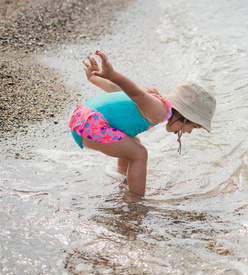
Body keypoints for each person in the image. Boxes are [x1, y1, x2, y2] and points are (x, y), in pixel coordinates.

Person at [68, 50, 216, 196]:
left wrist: (94, 78)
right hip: (90, 125)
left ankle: (122, 176)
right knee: (140, 153)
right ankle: (136, 200)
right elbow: (136, 93)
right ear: (184, 115)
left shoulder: (157, 103)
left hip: (82, 118)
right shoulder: (160, 110)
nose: (189, 132)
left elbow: (116, 90)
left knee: (134, 143)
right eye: (194, 126)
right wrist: (113, 75)